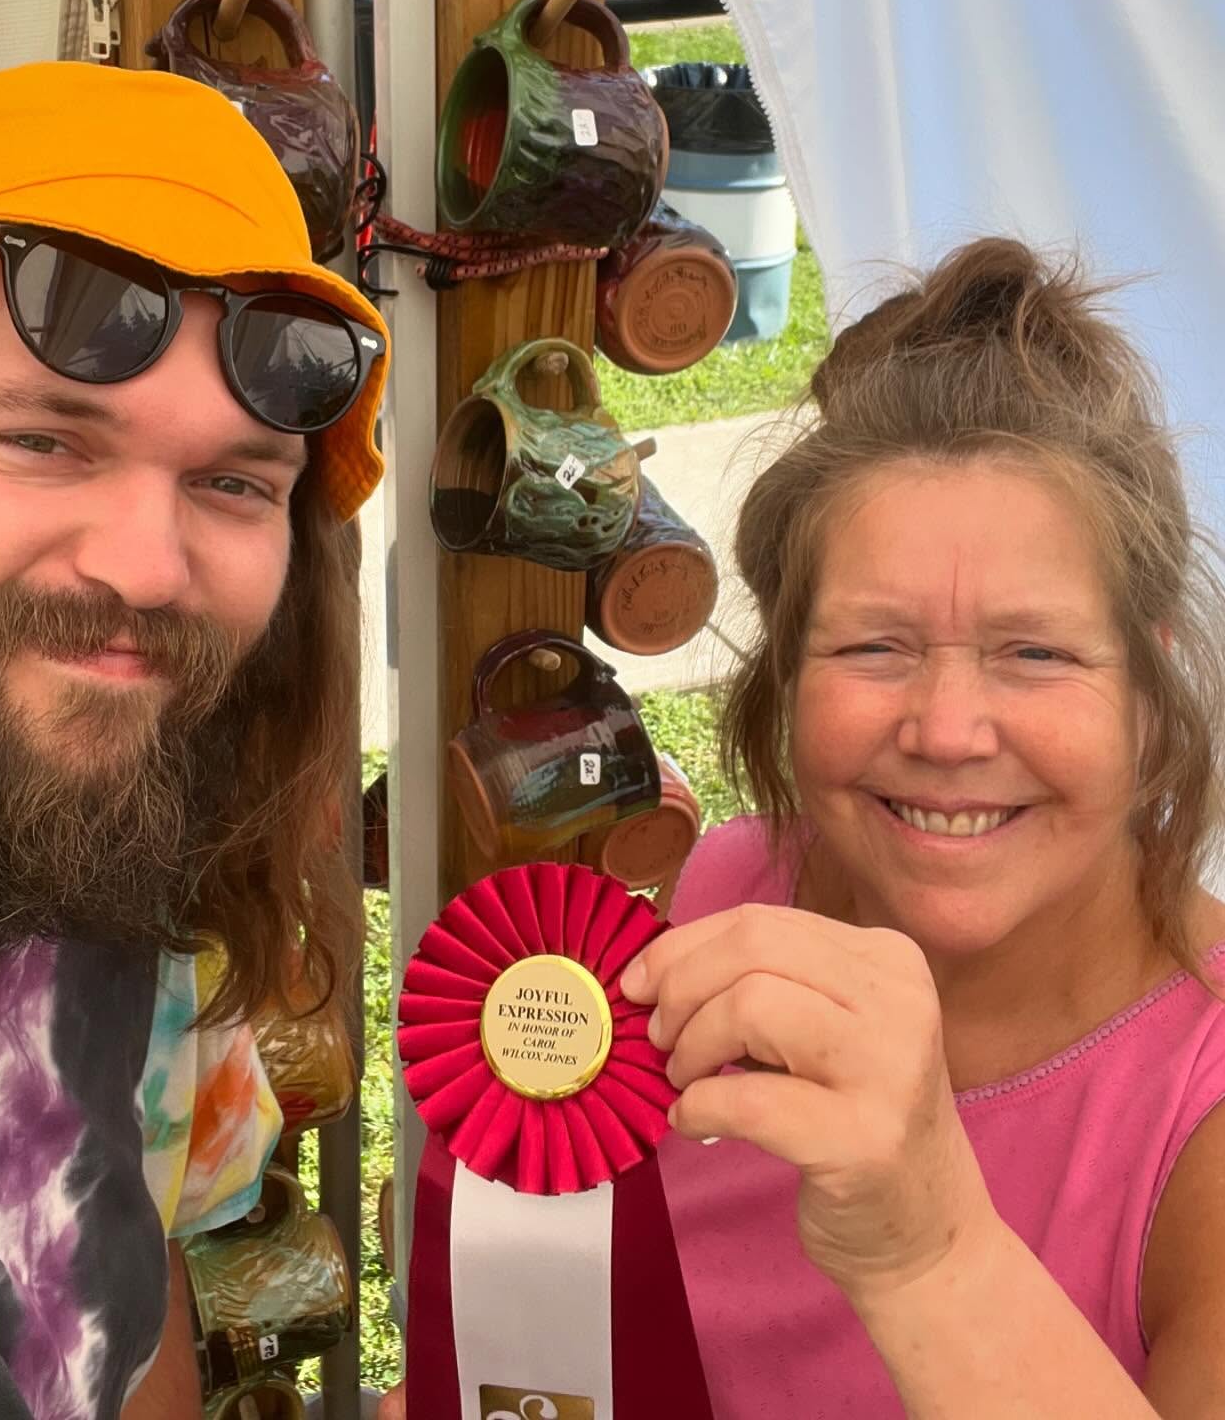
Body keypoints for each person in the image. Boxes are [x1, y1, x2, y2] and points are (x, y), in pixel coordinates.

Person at [383, 237, 1225, 1418]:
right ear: (786, 674)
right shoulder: (733, 889)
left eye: (1035, 653)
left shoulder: (1198, 1111)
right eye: (873, 647)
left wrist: (931, 1256)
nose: (946, 730)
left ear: (1148, 683)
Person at [0, 62, 389, 1419]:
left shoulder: (122, 856)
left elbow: (125, 1299)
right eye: (44, 442)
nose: (148, 569)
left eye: (233, 482)